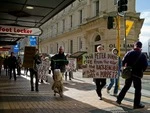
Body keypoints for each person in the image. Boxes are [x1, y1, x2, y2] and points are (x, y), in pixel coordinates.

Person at [116, 41, 148, 109]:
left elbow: (123, 61)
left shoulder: (129, 53)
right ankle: (136, 104)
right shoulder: (143, 55)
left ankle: (119, 99)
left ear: (135, 46)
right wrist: (141, 71)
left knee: (126, 86)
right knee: (138, 89)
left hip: (129, 73)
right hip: (137, 74)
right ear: (141, 47)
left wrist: (125, 68)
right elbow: (145, 65)